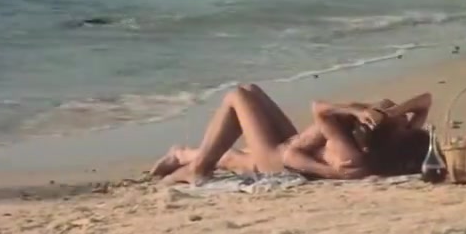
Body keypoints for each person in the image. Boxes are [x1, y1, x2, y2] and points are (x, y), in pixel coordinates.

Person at [150, 83, 432, 184]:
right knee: (251, 94)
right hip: (291, 147)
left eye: (398, 122)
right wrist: (394, 113)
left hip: (280, 159)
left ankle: (197, 168)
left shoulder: (352, 156)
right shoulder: (393, 143)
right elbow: (425, 101)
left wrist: (354, 110)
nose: (400, 118)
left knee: (238, 96)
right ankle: (180, 156)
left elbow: (318, 110)